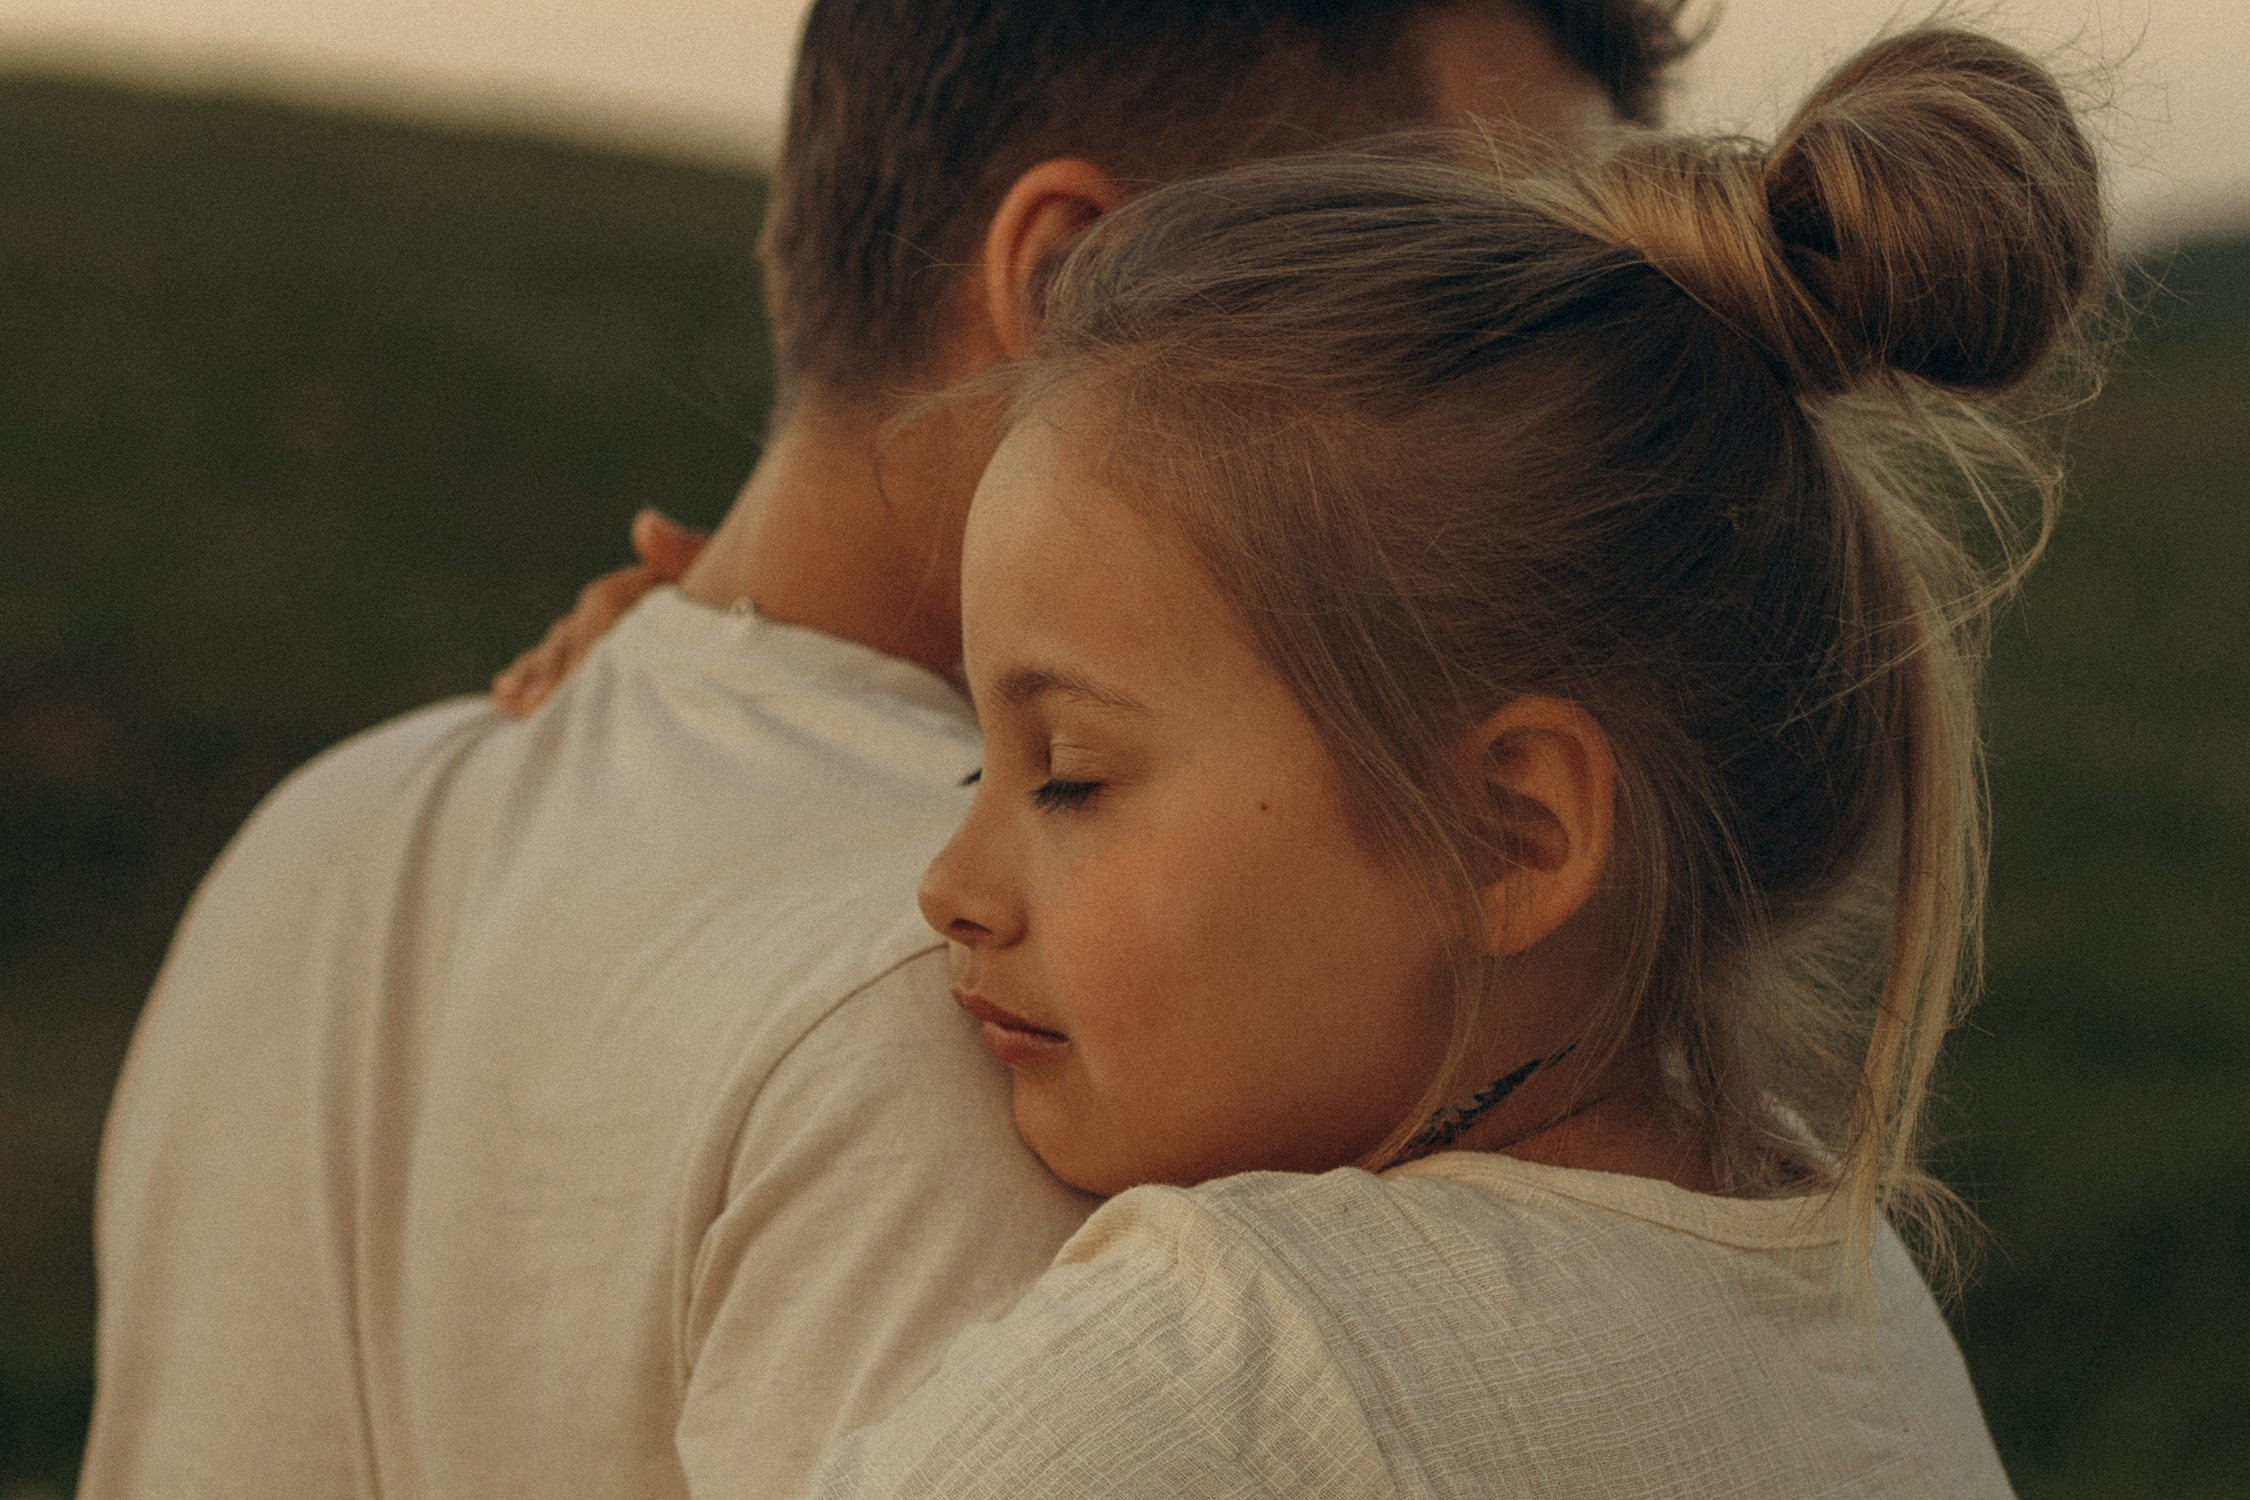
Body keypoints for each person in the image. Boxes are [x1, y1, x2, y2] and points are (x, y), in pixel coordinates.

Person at [80, 4, 1693, 1498]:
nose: (1557, 407)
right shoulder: (1043, 1018)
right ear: (1071, 288)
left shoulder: (327, 834)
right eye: (1439, 287)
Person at [782, 25, 2096, 1493]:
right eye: (979, 759)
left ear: (1510, 835)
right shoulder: (1863, 1315)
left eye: (1070, 771)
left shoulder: (1215, 1368)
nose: (946, 889)